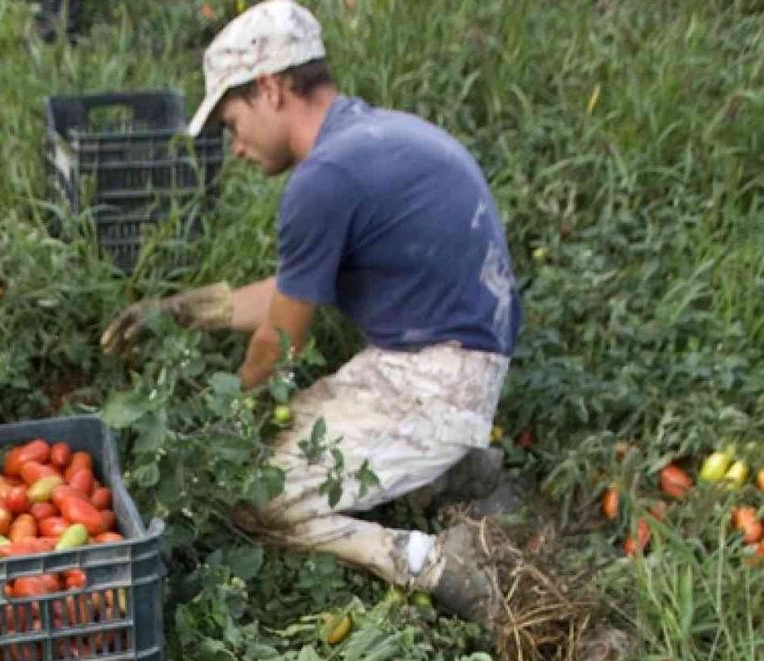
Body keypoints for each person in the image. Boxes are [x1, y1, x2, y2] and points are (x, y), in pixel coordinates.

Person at [102, 0, 520, 623]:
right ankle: (455, 469)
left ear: (270, 89)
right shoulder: (376, 138)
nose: (235, 146)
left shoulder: (325, 177)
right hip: (443, 359)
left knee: (256, 496)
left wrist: (229, 426)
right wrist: (186, 310)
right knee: (285, 445)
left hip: (437, 381)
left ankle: (433, 563)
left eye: (231, 120)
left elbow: (280, 342)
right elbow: (296, 288)